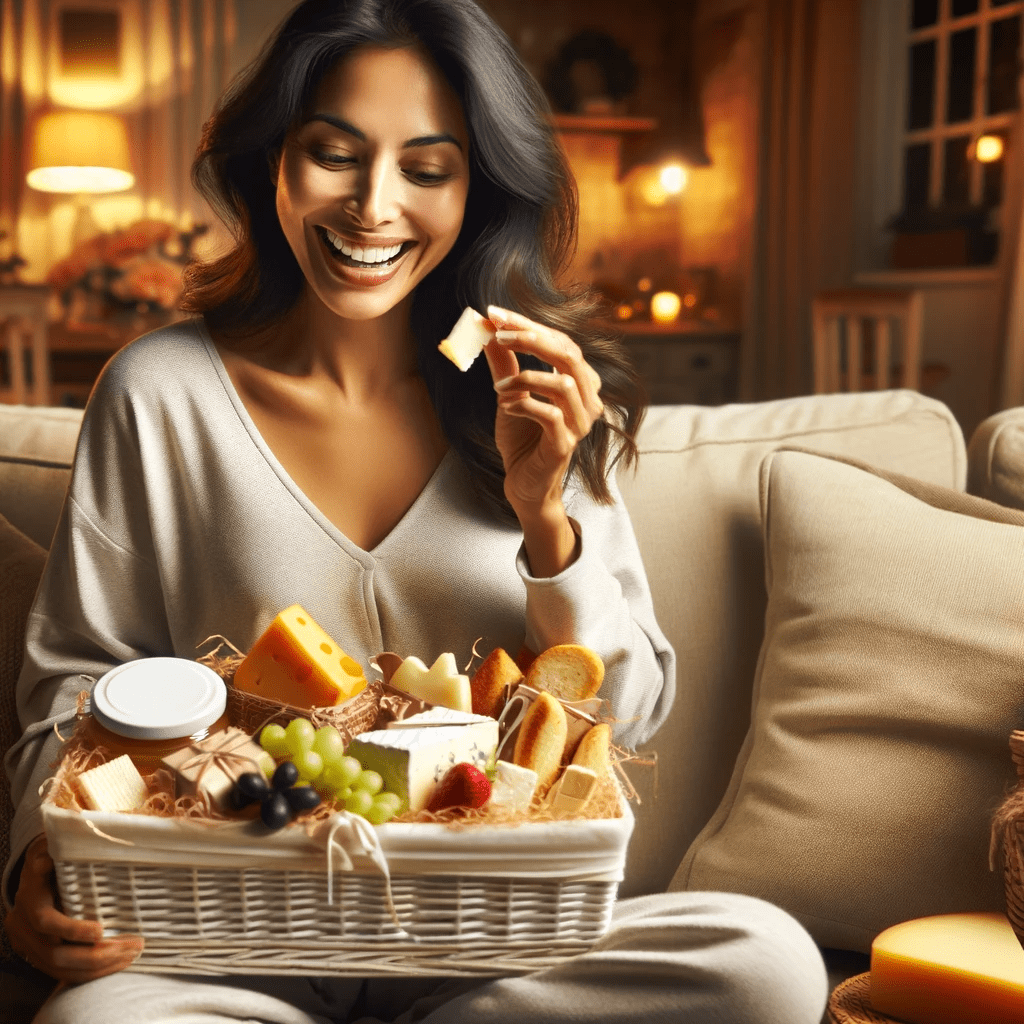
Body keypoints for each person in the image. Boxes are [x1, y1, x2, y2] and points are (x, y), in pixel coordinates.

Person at [3, 1, 829, 1021]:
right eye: (333, 154)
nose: (372, 206)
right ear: (273, 161)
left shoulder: (541, 397)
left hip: (494, 944)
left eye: (427, 167)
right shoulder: (158, 390)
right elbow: (77, 678)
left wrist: (547, 519)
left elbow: (626, 716)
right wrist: (35, 856)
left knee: (766, 964)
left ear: (478, 187)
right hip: (233, 935)